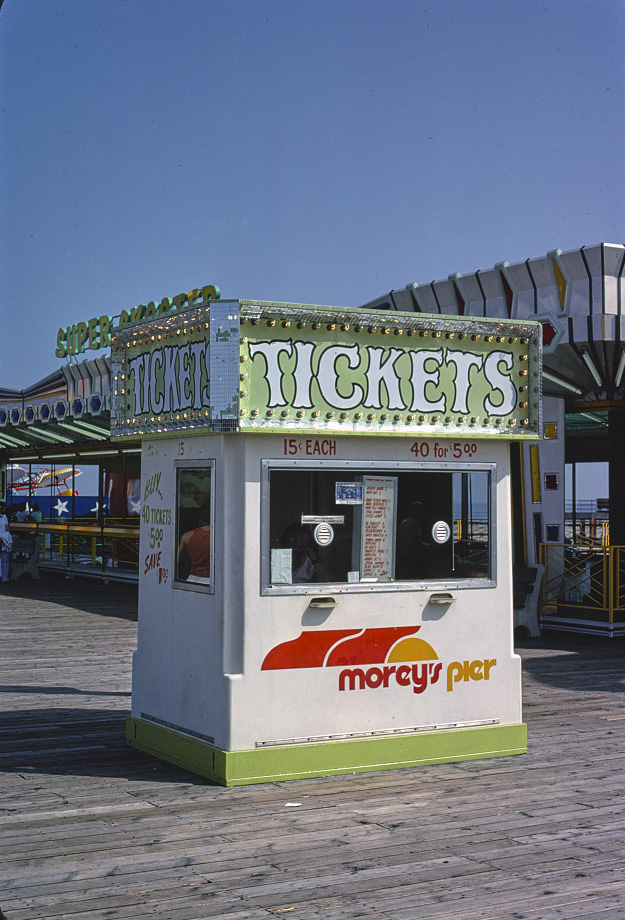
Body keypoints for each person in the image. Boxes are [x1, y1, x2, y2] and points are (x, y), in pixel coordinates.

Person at [177, 502, 211, 583]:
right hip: (211, 580)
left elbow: (177, 559)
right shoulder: (218, 537)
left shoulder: (186, 536)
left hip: (192, 579)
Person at [0, 502, 12, 584]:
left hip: (3, 540)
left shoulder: (4, 517)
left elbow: (7, 528)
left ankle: (4, 577)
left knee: (4, 560)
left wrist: (6, 538)